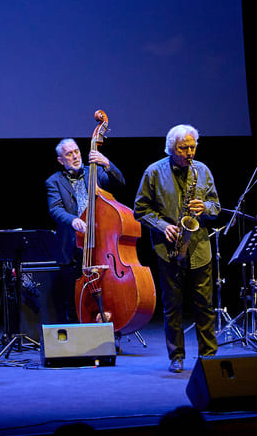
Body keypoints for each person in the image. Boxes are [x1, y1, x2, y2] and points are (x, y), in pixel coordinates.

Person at [134, 124, 220, 373]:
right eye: (183, 148)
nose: (189, 153)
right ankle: (176, 356)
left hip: (199, 247)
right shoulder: (153, 172)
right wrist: (163, 226)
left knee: (205, 306)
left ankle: (208, 356)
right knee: (173, 306)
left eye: (192, 147)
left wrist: (205, 207)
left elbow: (216, 206)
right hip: (168, 248)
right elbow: (140, 210)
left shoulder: (202, 170)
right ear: (171, 148)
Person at [45, 138, 125, 322]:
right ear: (60, 160)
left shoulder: (95, 173)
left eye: (76, 152)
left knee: (107, 293)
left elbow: (119, 184)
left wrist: (107, 164)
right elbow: (55, 209)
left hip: (101, 245)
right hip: (73, 248)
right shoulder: (53, 181)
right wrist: (73, 220)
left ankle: (108, 328)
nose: (75, 156)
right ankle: (77, 334)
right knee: (74, 300)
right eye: (69, 154)